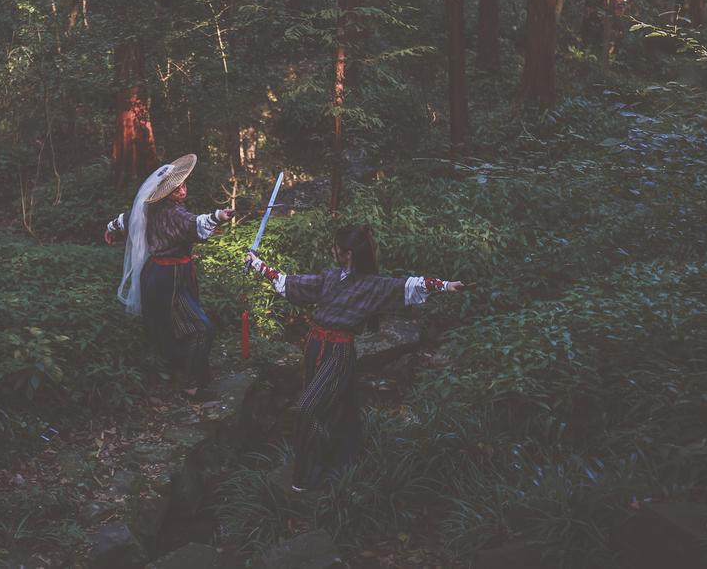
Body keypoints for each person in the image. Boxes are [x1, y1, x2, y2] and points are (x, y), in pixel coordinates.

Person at [244, 223, 465, 491]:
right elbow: (289, 284)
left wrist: (445, 286)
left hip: (338, 353)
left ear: (348, 253)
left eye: (336, 247)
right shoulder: (329, 277)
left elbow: (407, 285)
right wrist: (257, 264)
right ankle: (332, 460)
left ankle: (308, 475)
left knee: (307, 408)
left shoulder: (372, 285)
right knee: (335, 408)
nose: (332, 250)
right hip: (315, 347)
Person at [105, 154, 235, 401]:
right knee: (202, 328)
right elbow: (193, 223)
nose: (182, 190)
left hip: (164, 274)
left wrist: (111, 228)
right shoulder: (172, 214)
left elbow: (126, 218)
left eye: (184, 185)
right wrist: (218, 216)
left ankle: (193, 374)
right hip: (167, 278)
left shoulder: (151, 209)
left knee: (182, 326)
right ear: (166, 193)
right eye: (176, 189)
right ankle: (190, 385)